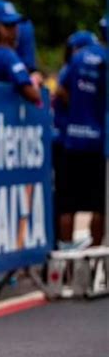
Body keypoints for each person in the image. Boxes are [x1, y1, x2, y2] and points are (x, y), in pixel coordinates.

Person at [57, 23, 107, 248]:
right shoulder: (104, 59)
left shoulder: (77, 59)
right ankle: (96, 260)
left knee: (67, 205)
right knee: (99, 206)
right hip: (98, 143)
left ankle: (67, 263)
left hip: (72, 141)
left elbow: (60, 89)